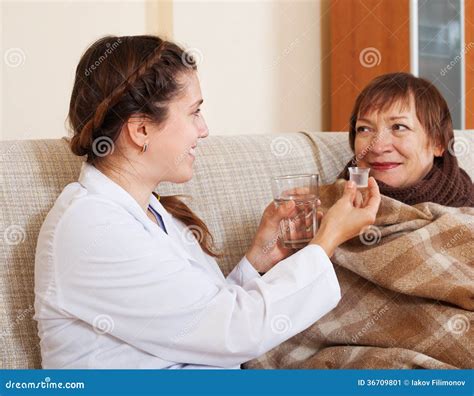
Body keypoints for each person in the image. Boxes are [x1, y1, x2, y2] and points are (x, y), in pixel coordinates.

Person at [34, 35, 380, 369]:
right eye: (193, 113)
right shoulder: (91, 227)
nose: (204, 129)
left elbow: (202, 322)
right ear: (141, 130)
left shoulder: (150, 211)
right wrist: (328, 238)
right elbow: (233, 331)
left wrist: (256, 258)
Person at [339, 72, 474, 207]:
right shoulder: (325, 205)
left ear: (438, 143)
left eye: (398, 127)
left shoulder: (466, 217)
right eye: (364, 129)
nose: (377, 147)